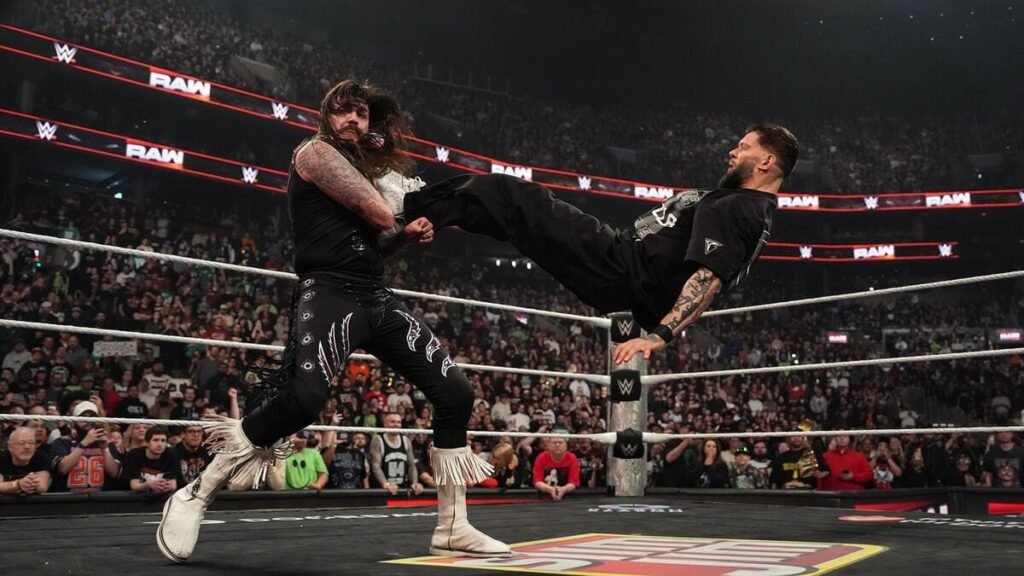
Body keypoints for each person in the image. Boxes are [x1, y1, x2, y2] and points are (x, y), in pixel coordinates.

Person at [158, 80, 508, 562]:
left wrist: (405, 236)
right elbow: (378, 212)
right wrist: (412, 208)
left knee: (456, 393)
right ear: (327, 116)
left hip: (373, 295)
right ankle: (196, 493)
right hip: (327, 292)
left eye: (362, 114)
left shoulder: (365, 170)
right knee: (303, 399)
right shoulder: (315, 153)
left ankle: (453, 526)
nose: (354, 120)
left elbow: (377, 240)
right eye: (344, 111)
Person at [403, 124, 798, 364]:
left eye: (744, 146)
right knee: (516, 217)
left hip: (620, 267)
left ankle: (407, 204)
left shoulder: (739, 207)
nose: (733, 151)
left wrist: (657, 337)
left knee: (513, 194)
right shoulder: (747, 206)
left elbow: (708, 279)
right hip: (620, 259)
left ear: (766, 162)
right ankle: (425, 218)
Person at [369, 412, 422, 495]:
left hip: (401, 489)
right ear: (385, 424)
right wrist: (385, 484)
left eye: (398, 422)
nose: (396, 425)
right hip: (382, 491)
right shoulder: (378, 440)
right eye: (392, 422)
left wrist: (414, 482)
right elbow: (376, 466)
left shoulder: (406, 441)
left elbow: (411, 466)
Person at [124, 426, 178, 494]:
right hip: (139, 497)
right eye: (155, 440)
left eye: (163, 441)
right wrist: (147, 485)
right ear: (147, 442)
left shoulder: (171, 454)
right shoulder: (135, 454)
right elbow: (134, 485)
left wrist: (167, 486)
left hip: (163, 495)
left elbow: (173, 484)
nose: (159, 444)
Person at [0, 427, 51, 495]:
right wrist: (18, 484)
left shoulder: (41, 458)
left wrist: (28, 483)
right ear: (10, 447)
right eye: (22, 443)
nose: (27, 447)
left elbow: (42, 486)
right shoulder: (2, 458)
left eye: (31, 443)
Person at [532, 436, 580, 501]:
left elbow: (573, 482)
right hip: (544, 495)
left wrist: (563, 489)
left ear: (566, 446)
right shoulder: (541, 457)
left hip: (567, 496)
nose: (557, 445)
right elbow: (537, 481)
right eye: (554, 443)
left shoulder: (572, 458)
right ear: (549, 445)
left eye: (560, 442)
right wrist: (550, 489)